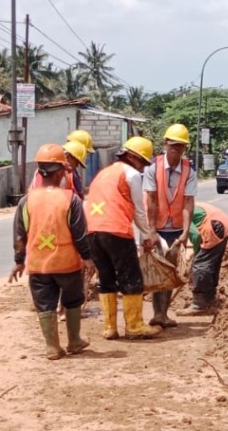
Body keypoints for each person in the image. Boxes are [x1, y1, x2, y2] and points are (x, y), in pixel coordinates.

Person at [9, 144, 92, 360]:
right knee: (73, 300)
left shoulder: (26, 201)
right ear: (59, 174)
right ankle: (74, 340)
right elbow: (79, 234)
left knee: (44, 304)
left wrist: (19, 261)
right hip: (67, 265)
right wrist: (87, 258)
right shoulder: (70, 200)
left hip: (38, 265)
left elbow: (20, 234)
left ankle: (52, 347)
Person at [84, 136, 161, 340]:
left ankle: (110, 327)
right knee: (131, 277)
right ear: (132, 157)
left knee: (106, 278)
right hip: (116, 230)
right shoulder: (131, 174)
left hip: (93, 231)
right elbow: (138, 209)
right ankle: (134, 326)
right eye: (142, 162)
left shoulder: (103, 173)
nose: (143, 168)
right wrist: (146, 235)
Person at [143, 123, 196, 328]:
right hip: (157, 228)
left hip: (175, 229)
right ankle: (158, 313)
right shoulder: (153, 167)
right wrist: (152, 231)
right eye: (173, 145)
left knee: (171, 272)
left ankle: (162, 314)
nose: (176, 150)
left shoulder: (188, 170)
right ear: (165, 144)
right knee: (157, 272)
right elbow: (152, 200)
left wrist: (185, 232)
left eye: (181, 146)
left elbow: (188, 202)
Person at [177, 203, 228, 316]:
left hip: (214, 226)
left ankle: (199, 304)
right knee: (211, 264)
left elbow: (195, 236)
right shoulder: (185, 204)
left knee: (200, 265)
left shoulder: (181, 212)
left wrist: (196, 254)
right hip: (223, 223)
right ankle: (209, 299)